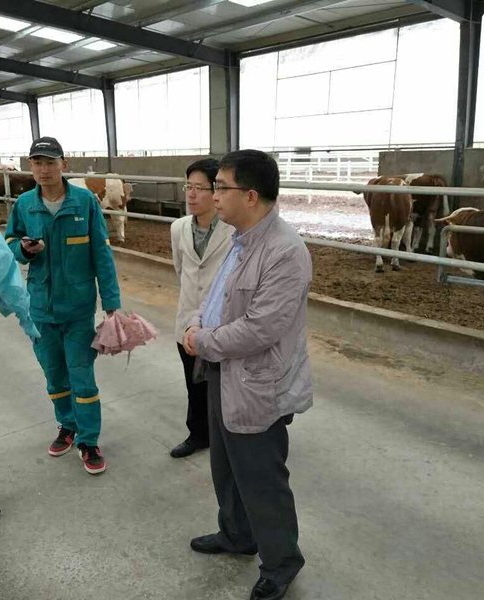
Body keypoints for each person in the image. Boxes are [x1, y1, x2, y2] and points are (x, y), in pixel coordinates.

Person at [183, 150, 313, 600]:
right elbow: (216, 296)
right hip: (224, 373)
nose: (213, 196)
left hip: (257, 383)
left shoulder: (285, 251)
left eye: (221, 187)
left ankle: (281, 563)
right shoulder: (241, 240)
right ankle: (237, 534)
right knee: (226, 467)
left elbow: (261, 328)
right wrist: (196, 323)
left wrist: (202, 341)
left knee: (262, 479)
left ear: (252, 196)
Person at [5, 137, 121, 475]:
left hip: (78, 309)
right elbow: (10, 241)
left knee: (82, 378)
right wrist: (23, 250)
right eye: (37, 162)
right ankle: (67, 425)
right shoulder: (25, 204)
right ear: (30, 166)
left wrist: (111, 302)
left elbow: (101, 253)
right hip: (40, 307)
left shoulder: (84, 202)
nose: (43, 169)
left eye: (50, 162)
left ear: (63, 165)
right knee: (54, 375)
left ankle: (89, 440)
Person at [169, 158, 234, 458]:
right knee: (193, 384)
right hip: (187, 321)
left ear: (216, 191)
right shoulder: (178, 228)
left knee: (222, 385)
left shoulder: (233, 231)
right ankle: (197, 435)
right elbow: (180, 269)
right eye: (188, 187)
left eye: (199, 188)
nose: (191, 195)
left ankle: (226, 437)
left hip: (221, 325)